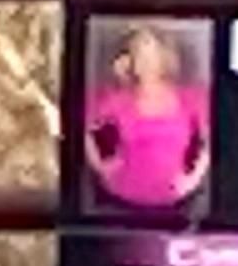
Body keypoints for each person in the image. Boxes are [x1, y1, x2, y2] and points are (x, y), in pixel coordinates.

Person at [81, 20, 210, 212]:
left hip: (177, 203)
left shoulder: (191, 97)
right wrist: (101, 166)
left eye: (151, 55)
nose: (146, 63)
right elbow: (80, 123)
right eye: (139, 56)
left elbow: (214, 138)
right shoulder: (118, 98)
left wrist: (194, 179)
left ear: (164, 57)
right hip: (121, 199)